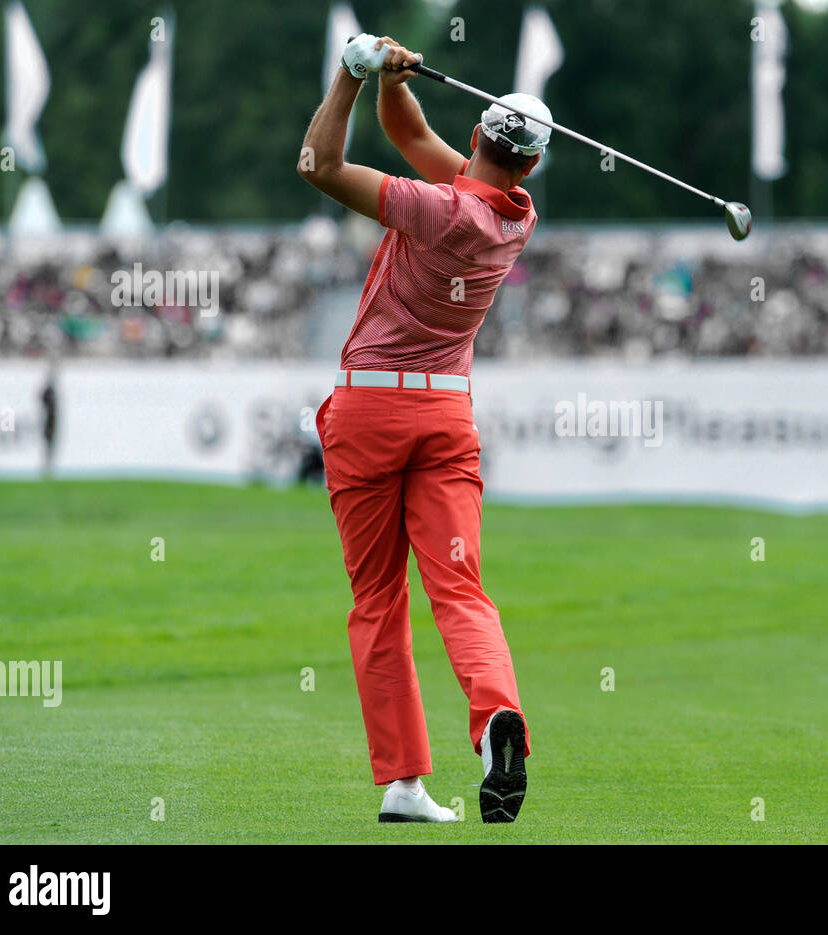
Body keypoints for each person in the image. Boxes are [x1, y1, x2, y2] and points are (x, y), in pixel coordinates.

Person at [298, 34, 545, 824]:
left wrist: (349, 73)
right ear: (530, 166)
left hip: (370, 410)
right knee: (460, 588)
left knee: (378, 598)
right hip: (446, 413)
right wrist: (393, 82)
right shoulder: (515, 215)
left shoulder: (437, 208)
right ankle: (494, 715)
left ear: (477, 137)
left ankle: (403, 779)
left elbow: (320, 166)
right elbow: (408, 136)